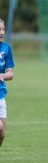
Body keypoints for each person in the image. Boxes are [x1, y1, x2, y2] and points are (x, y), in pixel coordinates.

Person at [0, 18, 15, 147]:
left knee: (2, 134)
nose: (1, 32)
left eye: (3, 29)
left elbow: (11, 74)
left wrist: (2, 75)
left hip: (1, 96)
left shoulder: (6, 48)